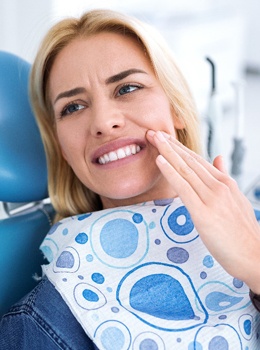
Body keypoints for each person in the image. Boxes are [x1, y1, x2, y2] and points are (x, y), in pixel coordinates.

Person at [0, 8, 260, 350]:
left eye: (127, 88)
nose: (104, 122)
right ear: (62, 147)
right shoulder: (39, 325)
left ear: (177, 108)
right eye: (73, 107)